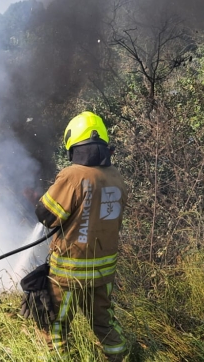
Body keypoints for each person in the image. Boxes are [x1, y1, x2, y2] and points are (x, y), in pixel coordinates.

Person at [34, 111, 129, 361]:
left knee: (56, 324)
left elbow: (46, 215)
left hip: (70, 270)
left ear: (73, 143)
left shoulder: (73, 175)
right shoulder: (116, 176)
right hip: (104, 270)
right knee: (104, 322)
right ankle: (119, 357)